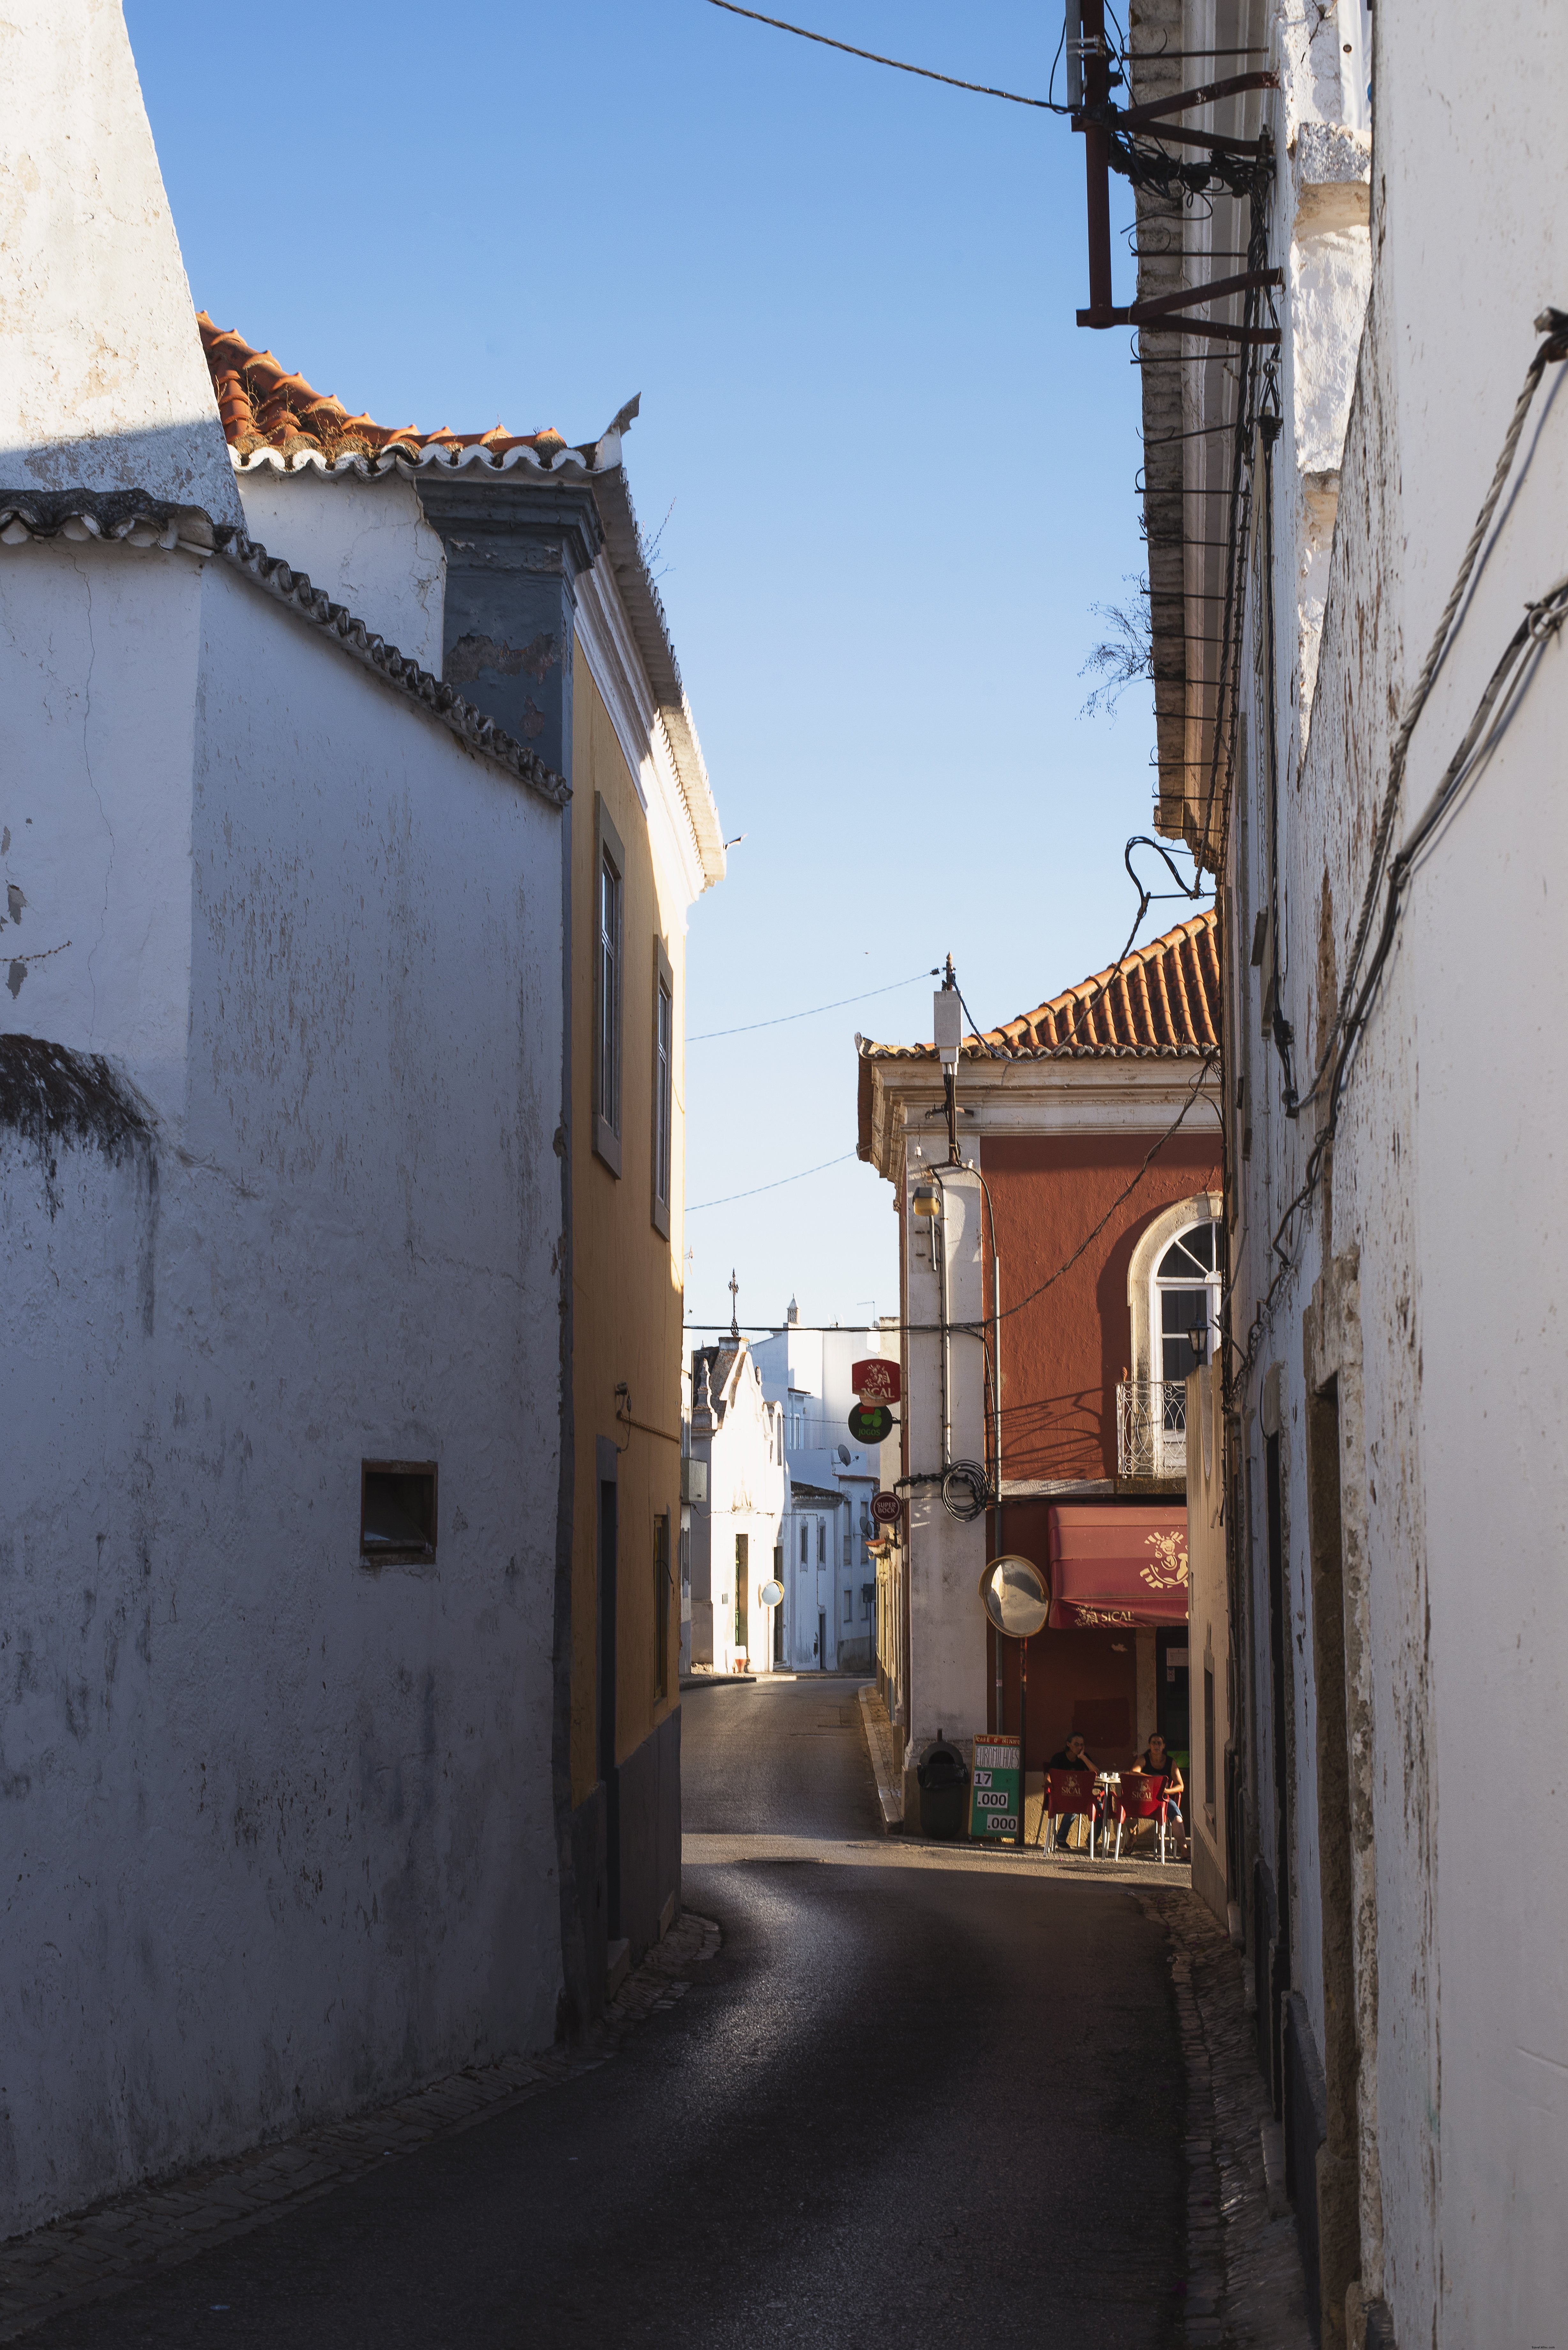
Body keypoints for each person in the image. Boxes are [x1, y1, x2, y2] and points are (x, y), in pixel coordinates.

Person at [1125, 1732, 1187, 1854]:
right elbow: (1133, 1772)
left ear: (1164, 1746)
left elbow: (1181, 1786)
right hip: (1144, 1798)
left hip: (1162, 1800)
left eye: (1159, 1743)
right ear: (1150, 1745)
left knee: (1176, 1814)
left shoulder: (1170, 1762)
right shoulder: (1144, 1759)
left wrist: (1167, 1791)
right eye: (1154, 1743)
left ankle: (1184, 1851)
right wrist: (1154, 1781)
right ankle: (1132, 1839)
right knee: (1129, 1810)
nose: (1157, 1745)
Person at [1046, 1732, 1096, 1853]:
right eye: (1076, 1744)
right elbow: (1048, 1778)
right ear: (1068, 1744)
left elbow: (1096, 1773)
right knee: (1074, 1808)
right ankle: (1061, 1838)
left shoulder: (1084, 1757)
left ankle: (1092, 1839)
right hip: (1062, 1797)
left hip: (1079, 1796)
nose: (1079, 1747)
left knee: (1099, 1807)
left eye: (1082, 1745)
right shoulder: (1059, 1758)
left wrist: (1083, 1758)